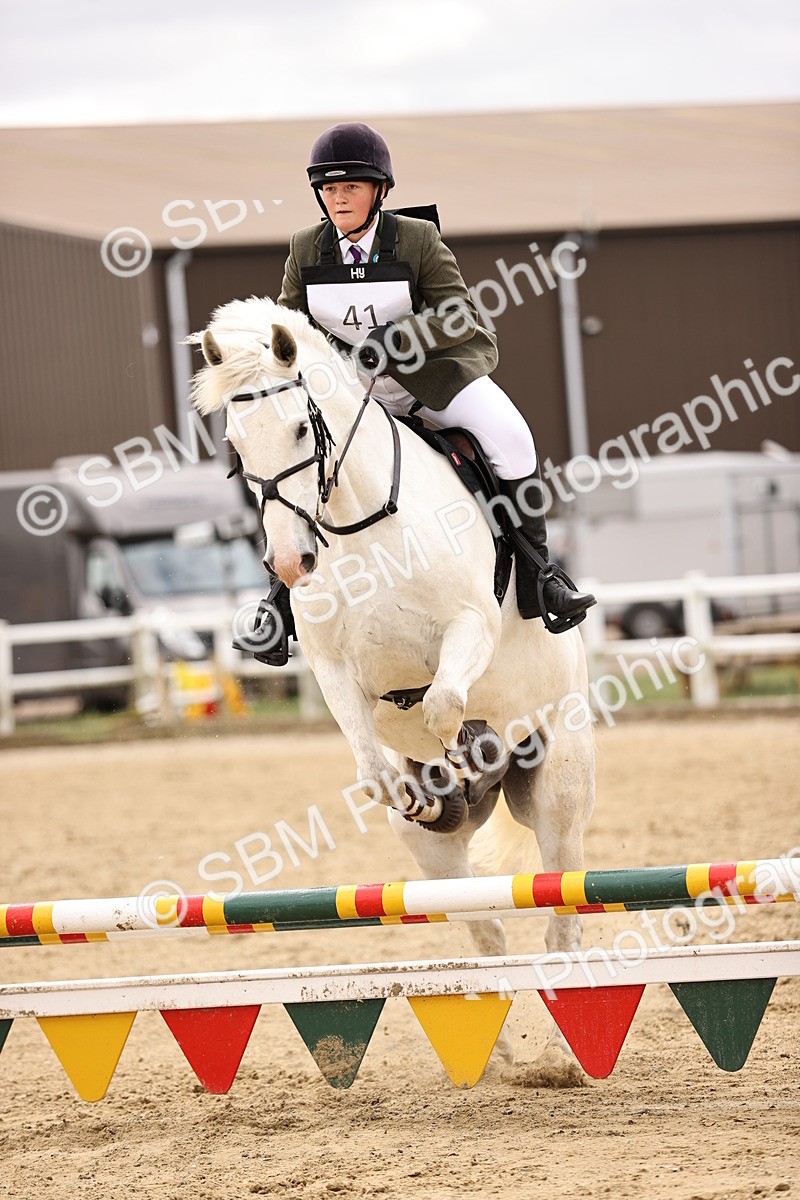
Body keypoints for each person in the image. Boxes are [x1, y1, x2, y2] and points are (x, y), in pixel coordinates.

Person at [249, 122, 595, 663]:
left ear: (379, 191)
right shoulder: (305, 248)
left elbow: (458, 314)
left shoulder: (416, 238)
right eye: (330, 189)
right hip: (353, 395)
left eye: (351, 187)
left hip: (430, 381)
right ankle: (278, 603)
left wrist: (393, 340)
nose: (339, 199)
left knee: (512, 438)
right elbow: (287, 326)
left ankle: (540, 577)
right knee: (289, 455)